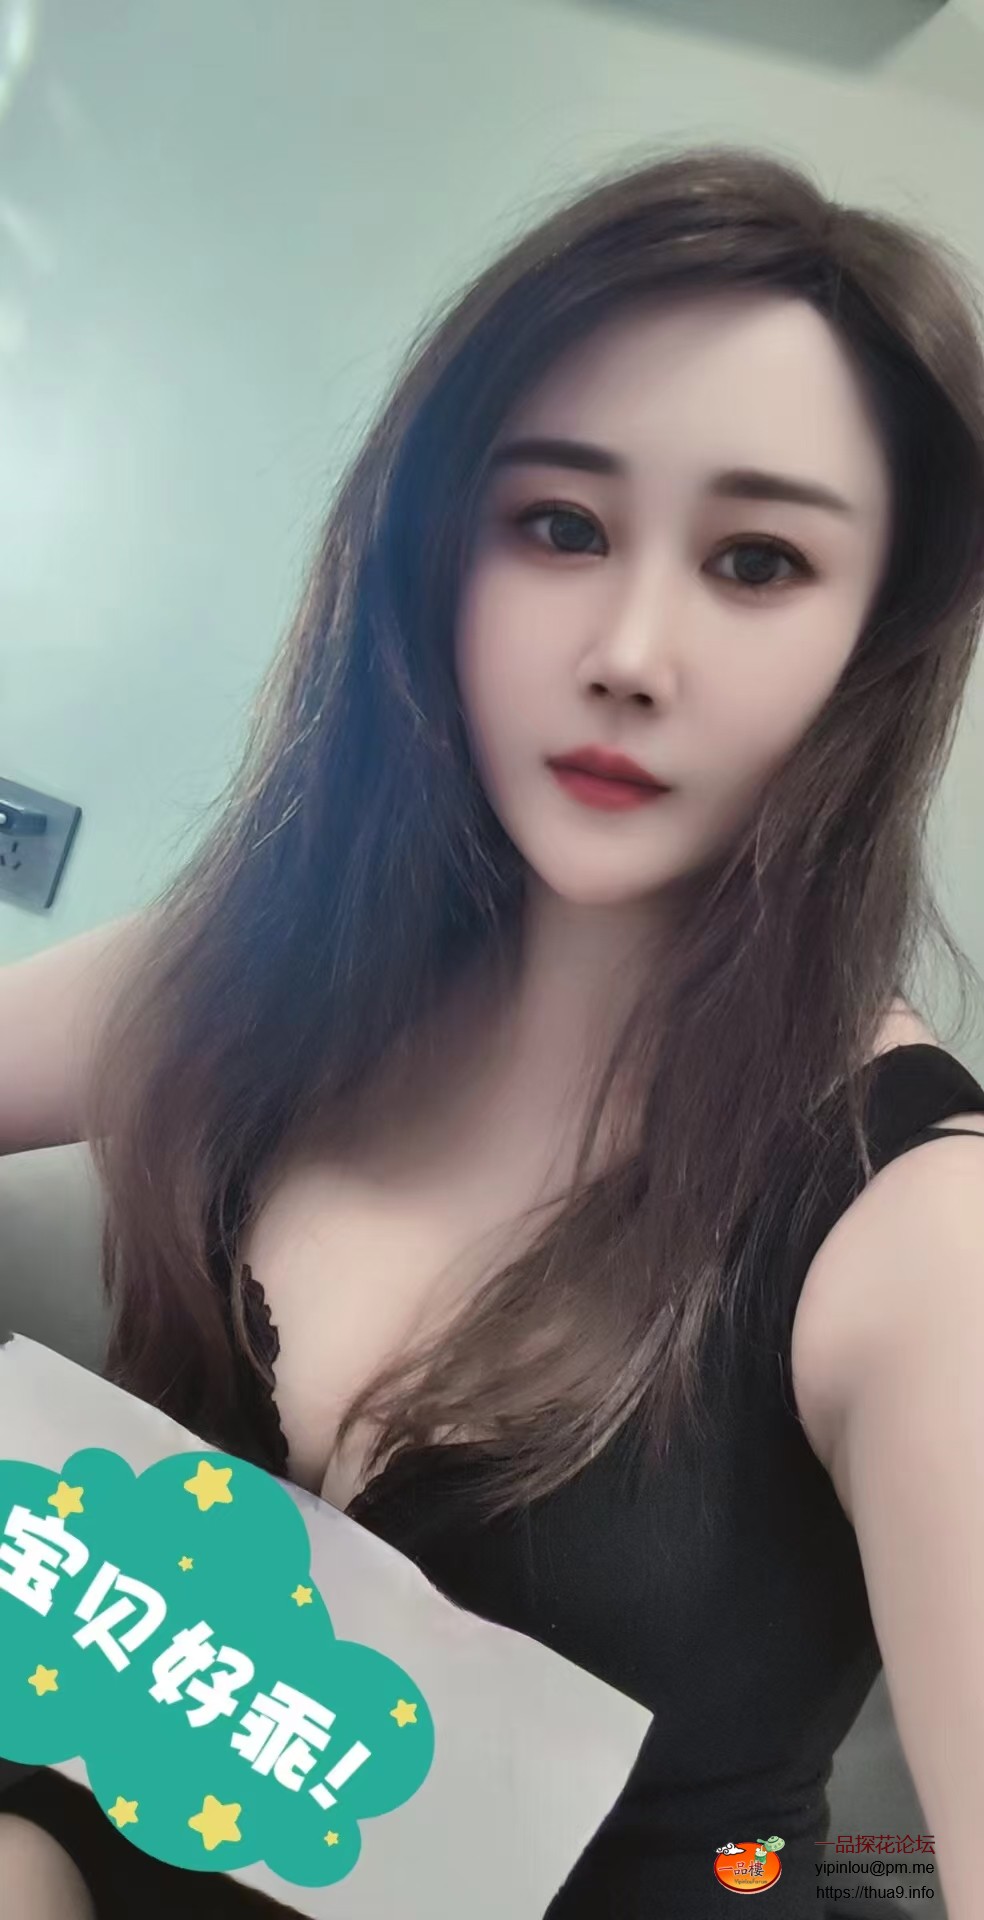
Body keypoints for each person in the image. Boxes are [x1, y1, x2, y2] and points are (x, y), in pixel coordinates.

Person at [2, 142, 984, 1919]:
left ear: (879, 634)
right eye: (560, 526)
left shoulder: (922, 1232)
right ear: (435, 554)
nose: (630, 650)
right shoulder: (254, 974)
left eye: (758, 560)